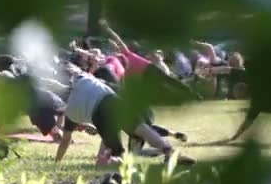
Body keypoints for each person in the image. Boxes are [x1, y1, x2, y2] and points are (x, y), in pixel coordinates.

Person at [54, 65, 196, 166]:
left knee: (113, 156)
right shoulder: (85, 79)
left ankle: (120, 168)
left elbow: (65, 141)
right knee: (144, 130)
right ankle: (170, 152)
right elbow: (75, 72)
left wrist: (57, 162)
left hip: (100, 116)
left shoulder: (70, 113)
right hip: (114, 102)